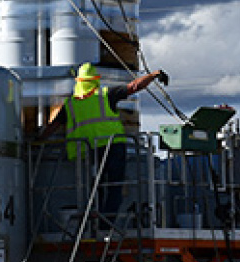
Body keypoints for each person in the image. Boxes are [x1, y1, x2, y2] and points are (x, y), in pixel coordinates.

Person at [40, 62, 168, 220]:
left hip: (90, 150)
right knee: (114, 186)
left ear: (78, 82)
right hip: (113, 146)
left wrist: (37, 141)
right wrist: (154, 74)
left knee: (97, 186)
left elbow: (53, 126)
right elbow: (134, 86)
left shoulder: (71, 104)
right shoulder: (105, 95)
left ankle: (98, 216)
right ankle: (107, 221)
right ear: (95, 80)